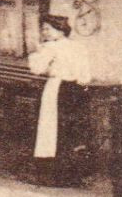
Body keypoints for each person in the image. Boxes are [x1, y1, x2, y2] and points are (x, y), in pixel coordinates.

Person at [27, 13, 93, 186]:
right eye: (43, 29)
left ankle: (53, 175)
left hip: (57, 89)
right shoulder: (79, 47)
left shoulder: (50, 48)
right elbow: (85, 75)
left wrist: (37, 52)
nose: (44, 33)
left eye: (47, 29)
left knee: (51, 130)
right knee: (71, 130)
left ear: (60, 30)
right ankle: (73, 175)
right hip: (76, 90)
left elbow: (37, 69)